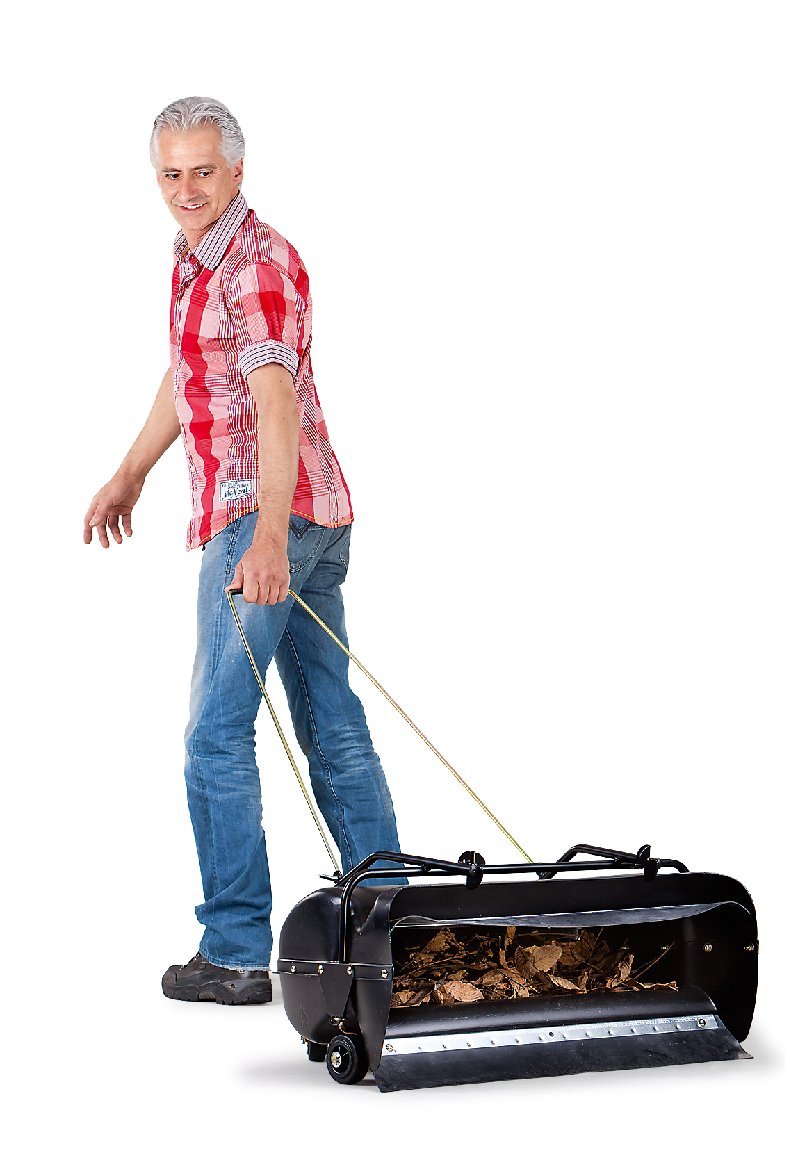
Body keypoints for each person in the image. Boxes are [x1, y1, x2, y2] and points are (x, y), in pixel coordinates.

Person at [83, 96, 403, 1005]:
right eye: (170, 173)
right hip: (312, 516)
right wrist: (130, 474)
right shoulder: (199, 256)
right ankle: (395, 927)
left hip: (266, 521)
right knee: (331, 724)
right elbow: (188, 375)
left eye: (202, 171)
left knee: (215, 734)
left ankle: (232, 952)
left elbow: (273, 401)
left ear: (237, 170)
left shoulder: (253, 260)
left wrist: (263, 538)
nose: (185, 189)